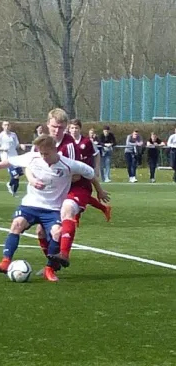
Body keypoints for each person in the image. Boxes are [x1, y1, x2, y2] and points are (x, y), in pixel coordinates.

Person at [0, 134, 95, 282]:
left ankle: (49, 269)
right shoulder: (33, 157)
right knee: (17, 224)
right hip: (31, 204)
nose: (43, 157)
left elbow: (90, 173)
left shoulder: (68, 164)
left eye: (46, 154)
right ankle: (5, 262)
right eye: (41, 153)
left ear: (55, 150)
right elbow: (11, 161)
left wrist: (98, 190)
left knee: (57, 232)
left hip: (53, 208)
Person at [25, 109, 109, 271]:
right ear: (48, 124)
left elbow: (76, 175)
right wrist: (34, 179)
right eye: (55, 127)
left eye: (62, 127)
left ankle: (63, 254)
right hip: (54, 190)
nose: (58, 131)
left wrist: (52, 177)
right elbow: (29, 165)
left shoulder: (69, 145)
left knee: (67, 209)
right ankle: (52, 263)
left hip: (76, 187)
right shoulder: (41, 143)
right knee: (41, 231)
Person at [68, 119, 111, 227]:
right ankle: (104, 208)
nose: (74, 130)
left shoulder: (87, 142)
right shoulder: (66, 142)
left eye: (76, 128)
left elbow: (96, 154)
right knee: (73, 195)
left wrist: (96, 168)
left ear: (80, 129)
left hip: (85, 174)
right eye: (72, 128)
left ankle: (75, 218)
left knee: (81, 195)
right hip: (70, 174)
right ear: (69, 129)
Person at [0, 120, 26, 196]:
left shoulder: (13, 135)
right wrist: (3, 148)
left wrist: (21, 145)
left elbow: (17, 145)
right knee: (16, 176)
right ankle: (12, 189)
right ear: (2, 126)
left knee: (19, 174)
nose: (7, 126)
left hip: (15, 157)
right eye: (5, 125)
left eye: (8, 125)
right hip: (7, 159)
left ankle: (11, 187)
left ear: (10, 126)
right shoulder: (0, 136)